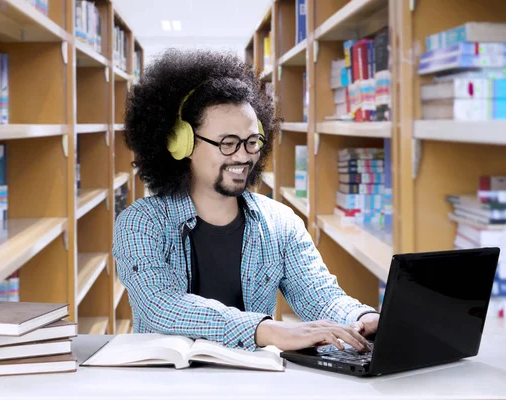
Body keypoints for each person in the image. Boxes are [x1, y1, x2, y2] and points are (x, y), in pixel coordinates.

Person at [112, 48, 379, 353]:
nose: (243, 155)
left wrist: (361, 317)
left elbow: (319, 296)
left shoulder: (280, 221)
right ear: (180, 143)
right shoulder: (140, 223)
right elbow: (159, 306)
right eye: (227, 143)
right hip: (164, 383)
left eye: (252, 142)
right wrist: (264, 330)